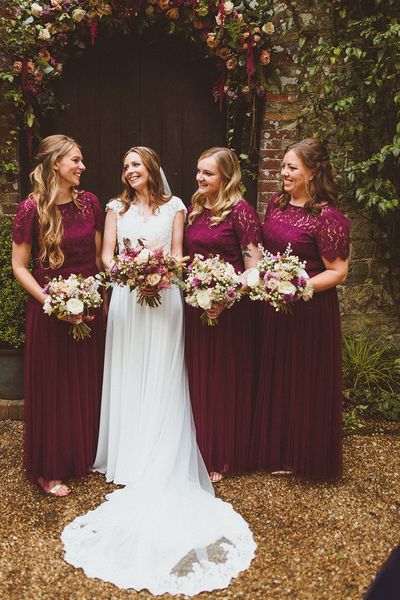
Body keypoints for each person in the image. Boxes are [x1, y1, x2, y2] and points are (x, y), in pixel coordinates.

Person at [61, 146, 256, 596]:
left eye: (136, 164)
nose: (130, 171)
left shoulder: (177, 207)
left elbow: (179, 255)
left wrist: (160, 272)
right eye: (125, 165)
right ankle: (127, 453)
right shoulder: (113, 208)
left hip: (166, 296)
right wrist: (130, 272)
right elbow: (106, 257)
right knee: (128, 369)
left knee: (166, 371)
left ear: (151, 168)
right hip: (129, 298)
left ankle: (159, 446)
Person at [250, 137, 350, 480]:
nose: (284, 173)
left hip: (310, 313)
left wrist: (299, 285)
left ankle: (306, 455)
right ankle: (279, 451)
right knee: (278, 377)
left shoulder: (328, 218)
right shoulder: (276, 205)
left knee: (304, 381)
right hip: (276, 310)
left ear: (312, 173)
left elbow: (338, 271)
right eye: (283, 166)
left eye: (292, 167)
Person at [12, 134, 105, 497]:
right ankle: (48, 468)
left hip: (89, 308)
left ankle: (80, 457)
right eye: (76, 161)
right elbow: (20, 267)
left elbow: (98, 259)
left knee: (85, 383)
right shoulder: (30, 209)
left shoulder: (91, 203)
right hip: (50, 311)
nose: (82, 167)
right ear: (56, 165)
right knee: (54, 389)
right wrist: (53, 301)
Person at [184, 147, 262, 482]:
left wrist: (225, 297)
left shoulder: (241, 212)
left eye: (208, 173)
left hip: (231, 312)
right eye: (199, 171)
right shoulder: (195, 208)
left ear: (225, 177)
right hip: (197, 308)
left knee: (226, 381)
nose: (200, 178)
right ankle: (201, 449)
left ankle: (226, 453)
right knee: (200, 378)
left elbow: (254, 269)